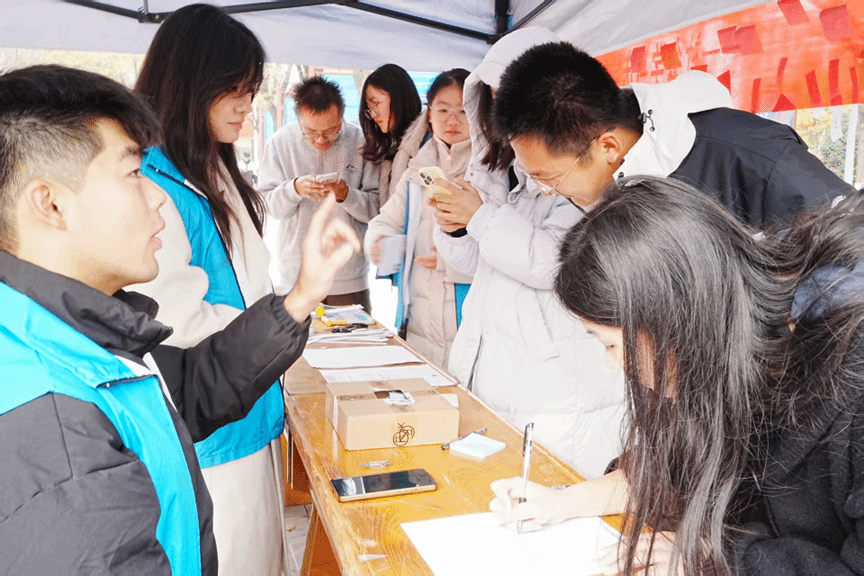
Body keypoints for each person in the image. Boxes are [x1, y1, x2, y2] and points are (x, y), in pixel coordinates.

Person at [0, 64, 359, 575]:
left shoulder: (72, 332)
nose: (156, 197)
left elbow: (188, 387)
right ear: (51, 203)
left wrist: (300, 297)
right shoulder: (55, 434)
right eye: (132, 174)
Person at [490, 176, 864, 575]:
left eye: (610, 344)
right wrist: (560, 502)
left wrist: (720, 559)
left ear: (673, 322)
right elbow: (672, 474)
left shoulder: (851, 382)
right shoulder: (725, 348)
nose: (613, 363)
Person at [131, 5, 287, 574]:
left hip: (248, 405)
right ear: (191, 84)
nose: (247, 105)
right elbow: (173, 323)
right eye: (236, 90)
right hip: (210, 434)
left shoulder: (211, 168)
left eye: (251, 90)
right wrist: (276, 322)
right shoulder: (154, 184)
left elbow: (248, 282)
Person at [432, 28, 626, 478]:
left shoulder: (583, 170)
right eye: (497, 99)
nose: (509, 110)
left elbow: (557, 264)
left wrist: (480, 217)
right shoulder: (501, 174)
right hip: (498, 372)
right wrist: (456, 227)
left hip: (557, 388)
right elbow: (473, 267)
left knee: (555, 491)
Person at [494, 41, 851, 227]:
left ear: (608, 146)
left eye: (550, 179)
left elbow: (850, 262)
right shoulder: (613, 183)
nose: (548, 192)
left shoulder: (756, 157)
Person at [364, 68, 471, 366]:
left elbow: (500, 248)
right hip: (418, 322)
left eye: (463, 111)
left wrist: (454, 258)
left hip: (471, 322)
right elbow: (386, 221)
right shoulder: (417, 170)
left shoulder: (491, 172)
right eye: (443, 110)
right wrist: (380, 243)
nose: (453, 120)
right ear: (430, 114)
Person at [258, 76, 380, 309]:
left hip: (348, 278)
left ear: (341, 115)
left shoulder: (362, 143)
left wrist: (346, 195)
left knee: (354, 333)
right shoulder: (280, 143)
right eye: (311, 132)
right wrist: (294, 189)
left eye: (332, 131)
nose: (321, 140)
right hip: (296, 276)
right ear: (298, 118)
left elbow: (377, 208)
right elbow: (268, 206)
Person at [359, 63, 423, 207]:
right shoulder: (392, 150)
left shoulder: (427, 145)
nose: (373, 114)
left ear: (399, 97)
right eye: (369, 108)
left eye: (376, 104)